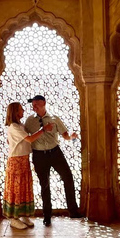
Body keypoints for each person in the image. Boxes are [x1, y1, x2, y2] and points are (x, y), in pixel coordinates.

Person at [23, 95, 83, 226]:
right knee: (44, 185)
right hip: (39, 156)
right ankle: (47, 216)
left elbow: (65, 136)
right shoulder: (29, 121)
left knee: (68, 178)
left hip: (55, 153)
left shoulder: (54, 119)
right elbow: (24, 136)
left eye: (36, 104)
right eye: (32, 105)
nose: (34, 106)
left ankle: (73, 211)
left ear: (43, 102)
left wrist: (72, 137)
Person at [3, 102, 54, 229]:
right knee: (16, 189)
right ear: (15, 112)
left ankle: (23, 215)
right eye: (21, 109)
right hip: (16, 161)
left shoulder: (19, 125)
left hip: (24, 160)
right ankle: (13, 218)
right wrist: (43, 130)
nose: (23, 111)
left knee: (24, 188)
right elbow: (30, 139)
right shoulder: (14, 126)